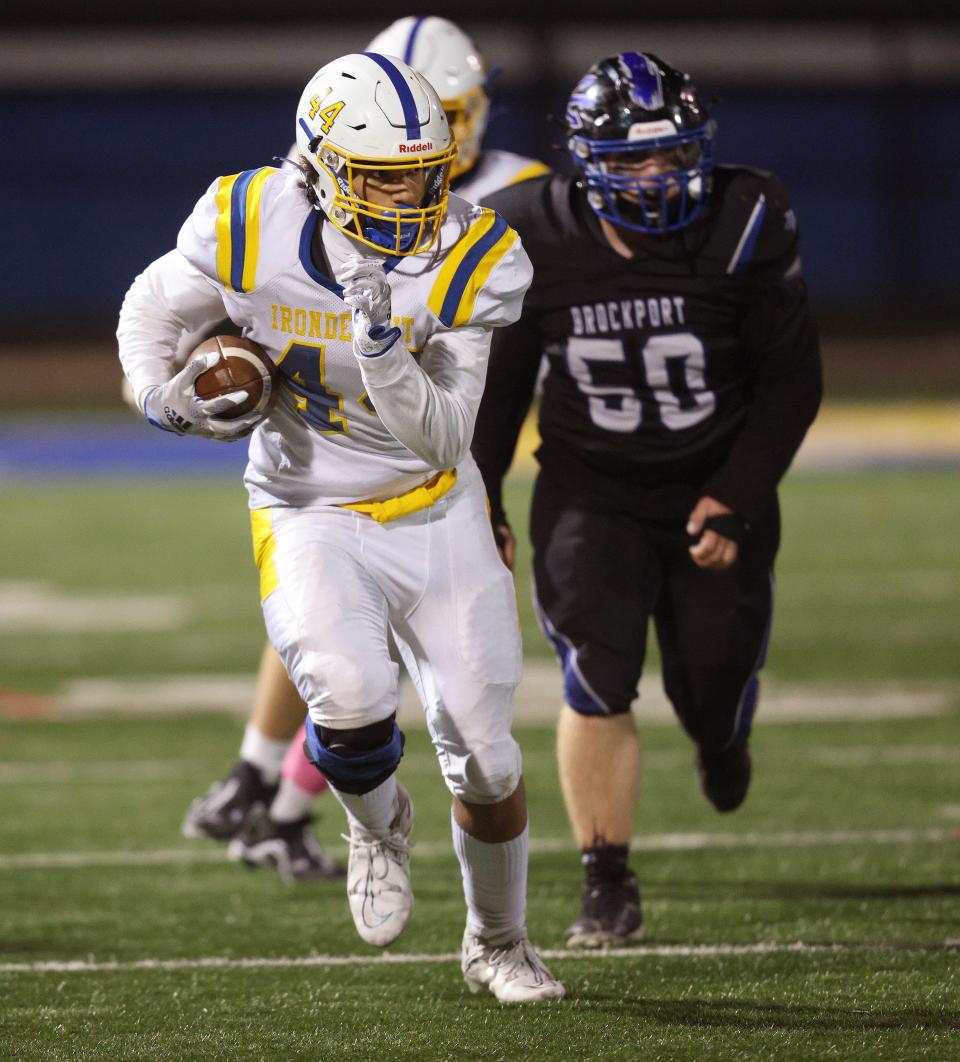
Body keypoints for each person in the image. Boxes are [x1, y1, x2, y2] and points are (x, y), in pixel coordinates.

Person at [118, 51, 563, 1003]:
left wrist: (382, 352)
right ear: (318, 165)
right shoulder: (251, 220)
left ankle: (498, 939)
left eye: (423, 170)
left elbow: (446, 438)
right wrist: (166, 399)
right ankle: (374, 821)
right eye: (380, 173)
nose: (408, 193)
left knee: (485, 757)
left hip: (435, 505)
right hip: (306, 501)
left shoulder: (475, 253)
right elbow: (153, 308)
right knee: (352, 699)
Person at [472, 51, 822, 948]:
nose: (657, 176)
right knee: (598, 671)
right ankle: (606, 878)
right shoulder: (528, 232)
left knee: (712, 680)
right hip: (592, 490)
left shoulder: (745, 218)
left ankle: (719, 737)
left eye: (672, 155)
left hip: (713, 484)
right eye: (631, 160)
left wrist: (736, 497)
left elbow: (790, 384)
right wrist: (483, 502)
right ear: (587, 161)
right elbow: (500, 389)